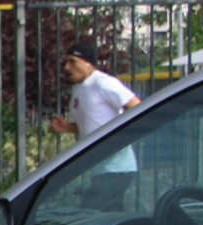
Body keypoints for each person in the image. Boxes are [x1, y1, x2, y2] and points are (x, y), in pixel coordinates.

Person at [49, 39, 141, 205]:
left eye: (73, 62)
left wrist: (118, 139)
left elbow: (136, 106)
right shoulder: (80, 88)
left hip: (117, 168)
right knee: (108, 217)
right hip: (100, 169)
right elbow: (95, 124)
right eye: (65, 62)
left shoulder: (103, 82)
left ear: (88, 63)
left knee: (90, 211)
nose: (66, 67)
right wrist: (69, 128)